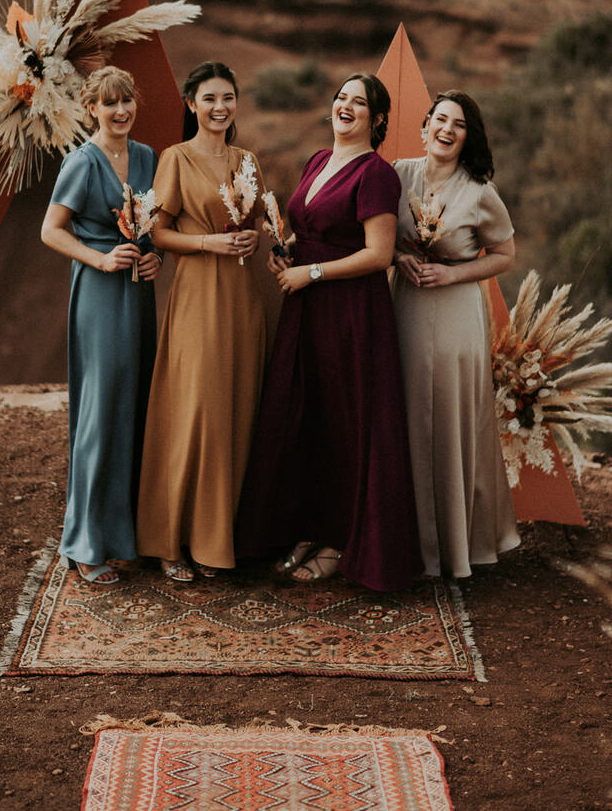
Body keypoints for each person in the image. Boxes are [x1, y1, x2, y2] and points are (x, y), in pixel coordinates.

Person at [236, 74, 422, 591]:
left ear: (377, 119)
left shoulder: (377, 174)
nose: (346, 106)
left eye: (359, 103)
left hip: (351, 313)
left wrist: (311, 273)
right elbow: (312, 228)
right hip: (307, 307)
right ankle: (308, 527)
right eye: (341, 97)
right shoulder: (318, 160)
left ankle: (341, 541)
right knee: (305, 416)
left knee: (345, 422)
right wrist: (289, 248)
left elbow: (379, 255)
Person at [136, 61, 266, 582]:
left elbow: (255, 222)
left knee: (235, 411)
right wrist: (209, 242)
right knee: (193, 411)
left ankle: (216, 542)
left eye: (228, 98)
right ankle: (170, 541)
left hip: (242, 298)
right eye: (209, 98)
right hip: (196, 296)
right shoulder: (175, 158)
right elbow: (159, 232)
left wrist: (254, 237)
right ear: (191, 104)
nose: (220, 107)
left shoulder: (247, 159)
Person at [392, 90, 520, 579]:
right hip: (404, 306)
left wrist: (452, 273)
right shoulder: (398, 175)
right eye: (440, 120)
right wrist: (395, 257)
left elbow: (505, 255)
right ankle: (407, 543)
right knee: (405, 413)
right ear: (425, 126)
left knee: (449, 418)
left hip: (456, 312)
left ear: (468, 137)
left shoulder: (479, 191)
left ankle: (456, 548)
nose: (446, 130)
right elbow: (378, 235)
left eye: (458, 124)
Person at [40, 66, 160, 585]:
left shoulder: (147, 157)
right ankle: (85, 542)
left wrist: (151, 258)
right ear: (91, 109)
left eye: (126, 100)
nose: (120, 111)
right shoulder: (80, 162)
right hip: (99, 292)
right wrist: (99, 259)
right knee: (100, 409)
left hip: (139, 291)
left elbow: (151, 225)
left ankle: (125, 534)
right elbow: (50, 230)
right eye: (109, 103)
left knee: (135, 405)